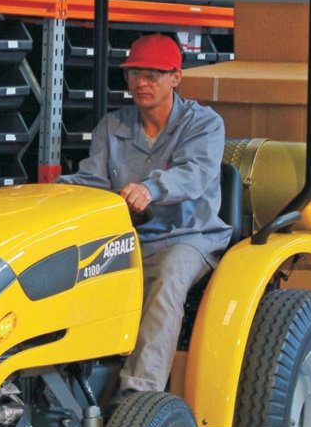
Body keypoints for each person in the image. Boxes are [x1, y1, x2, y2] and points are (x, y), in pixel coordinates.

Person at [58, 33, 230, 399]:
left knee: (167, 277)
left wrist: (151, 188)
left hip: (188, 236)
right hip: (129, 238)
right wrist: (52, 192)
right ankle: (69, 384)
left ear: (176, 78)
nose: (141, 83)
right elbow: (92, 180)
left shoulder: (204, 124)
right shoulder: (112, 126)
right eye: (135, 73)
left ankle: (139, 393)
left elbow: (195, 173)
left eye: (153, 74)